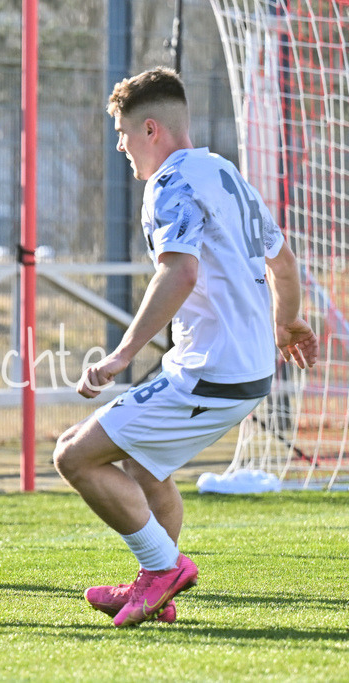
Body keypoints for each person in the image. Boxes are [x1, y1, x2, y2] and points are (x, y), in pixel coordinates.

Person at [54, 66, 319, 627]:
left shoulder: (169, 183)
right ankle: (156, 589)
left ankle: (164, 569)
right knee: (144, 465)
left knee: (73, 454)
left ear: (151, 129)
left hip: (210, 371)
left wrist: (121, 354)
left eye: (124, 135)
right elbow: (283, 262)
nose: (121, 148)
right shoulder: (225, 173)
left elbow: (179, 273)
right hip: (240, 370)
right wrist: (287, 322)